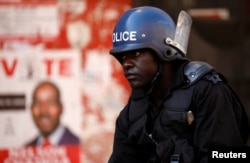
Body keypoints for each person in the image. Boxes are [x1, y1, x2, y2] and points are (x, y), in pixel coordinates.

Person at [108, 6, 249, 163]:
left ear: (164, 52)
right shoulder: (133, 112)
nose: (126, 64)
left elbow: (226, 156)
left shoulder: (207, 92)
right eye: (122, 57)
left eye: (136, 53)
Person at [26, 81, 80, 146]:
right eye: (38, 103)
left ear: (61, 108)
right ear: (31, 109)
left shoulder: (79, 147)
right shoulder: (26, 150)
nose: (44, 111)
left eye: (51, 103)